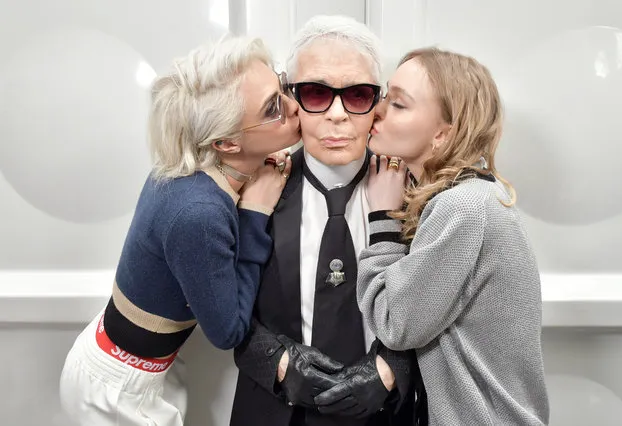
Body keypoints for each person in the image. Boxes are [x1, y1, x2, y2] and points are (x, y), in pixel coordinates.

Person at [58, 35, 301, 426]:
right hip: (117, 391)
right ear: (226, 142)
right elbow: (228, 331)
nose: (294, 107)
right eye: (274, 108)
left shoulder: (185, 168)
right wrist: (255, 213)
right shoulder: (197, 212)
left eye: (281, 85)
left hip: (123, 365)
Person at [230, 15, 416, 426]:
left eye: (357, 95)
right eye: (316, 94)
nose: (337, 115)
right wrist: (280, 365)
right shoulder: (249, 189)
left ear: (378, 102)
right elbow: (227, 312)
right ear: (290, 98)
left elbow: (442, 308)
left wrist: (392, 370)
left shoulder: (419, 192)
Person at [357, 46, 550, 425]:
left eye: (398, 104)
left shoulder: (462, 208)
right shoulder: (472, 196)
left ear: (442, 135)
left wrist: (382, 217)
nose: (376, 110)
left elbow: (397, 323)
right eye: (384, 96)